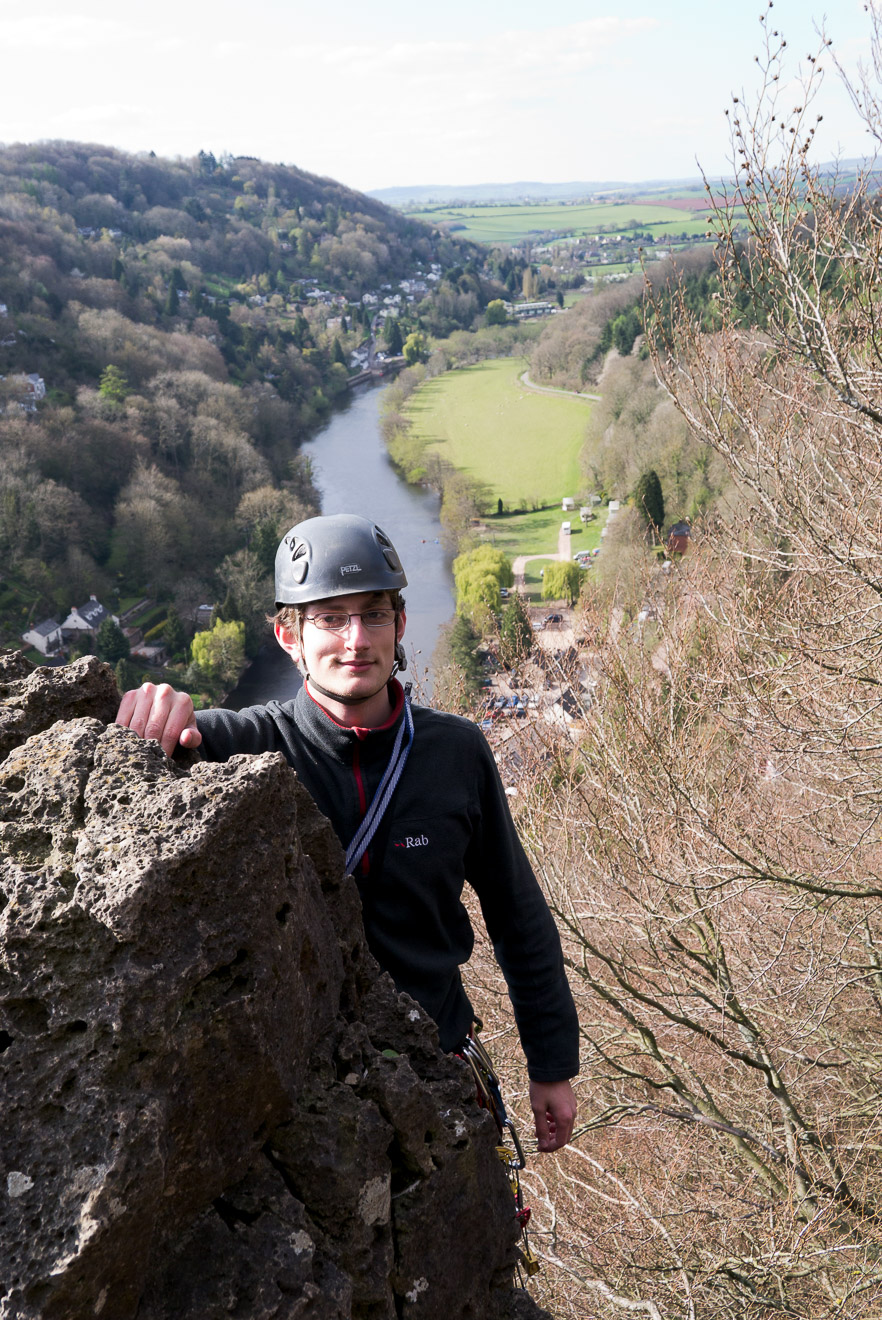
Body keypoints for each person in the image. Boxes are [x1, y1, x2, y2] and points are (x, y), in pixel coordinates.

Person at [116, 514, 579, 1151]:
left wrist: (551, 1064)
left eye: (374, 614)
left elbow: (518, 915)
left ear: (401, 625)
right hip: (310, 1101)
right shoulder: (243, 747)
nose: (356, 639)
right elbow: (160, 740)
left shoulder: (456, 753)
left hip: (436, 1067)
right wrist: (154, 712)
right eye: (331, 618)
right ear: (289, 635)